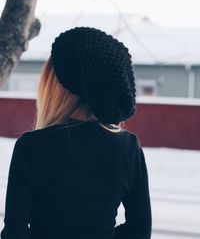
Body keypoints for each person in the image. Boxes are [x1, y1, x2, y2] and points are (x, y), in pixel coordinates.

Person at [0, 27, 152, 239]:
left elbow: (14, 234)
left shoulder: (32, 147)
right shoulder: (129, 148)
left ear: (59, 87)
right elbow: (140, 231)